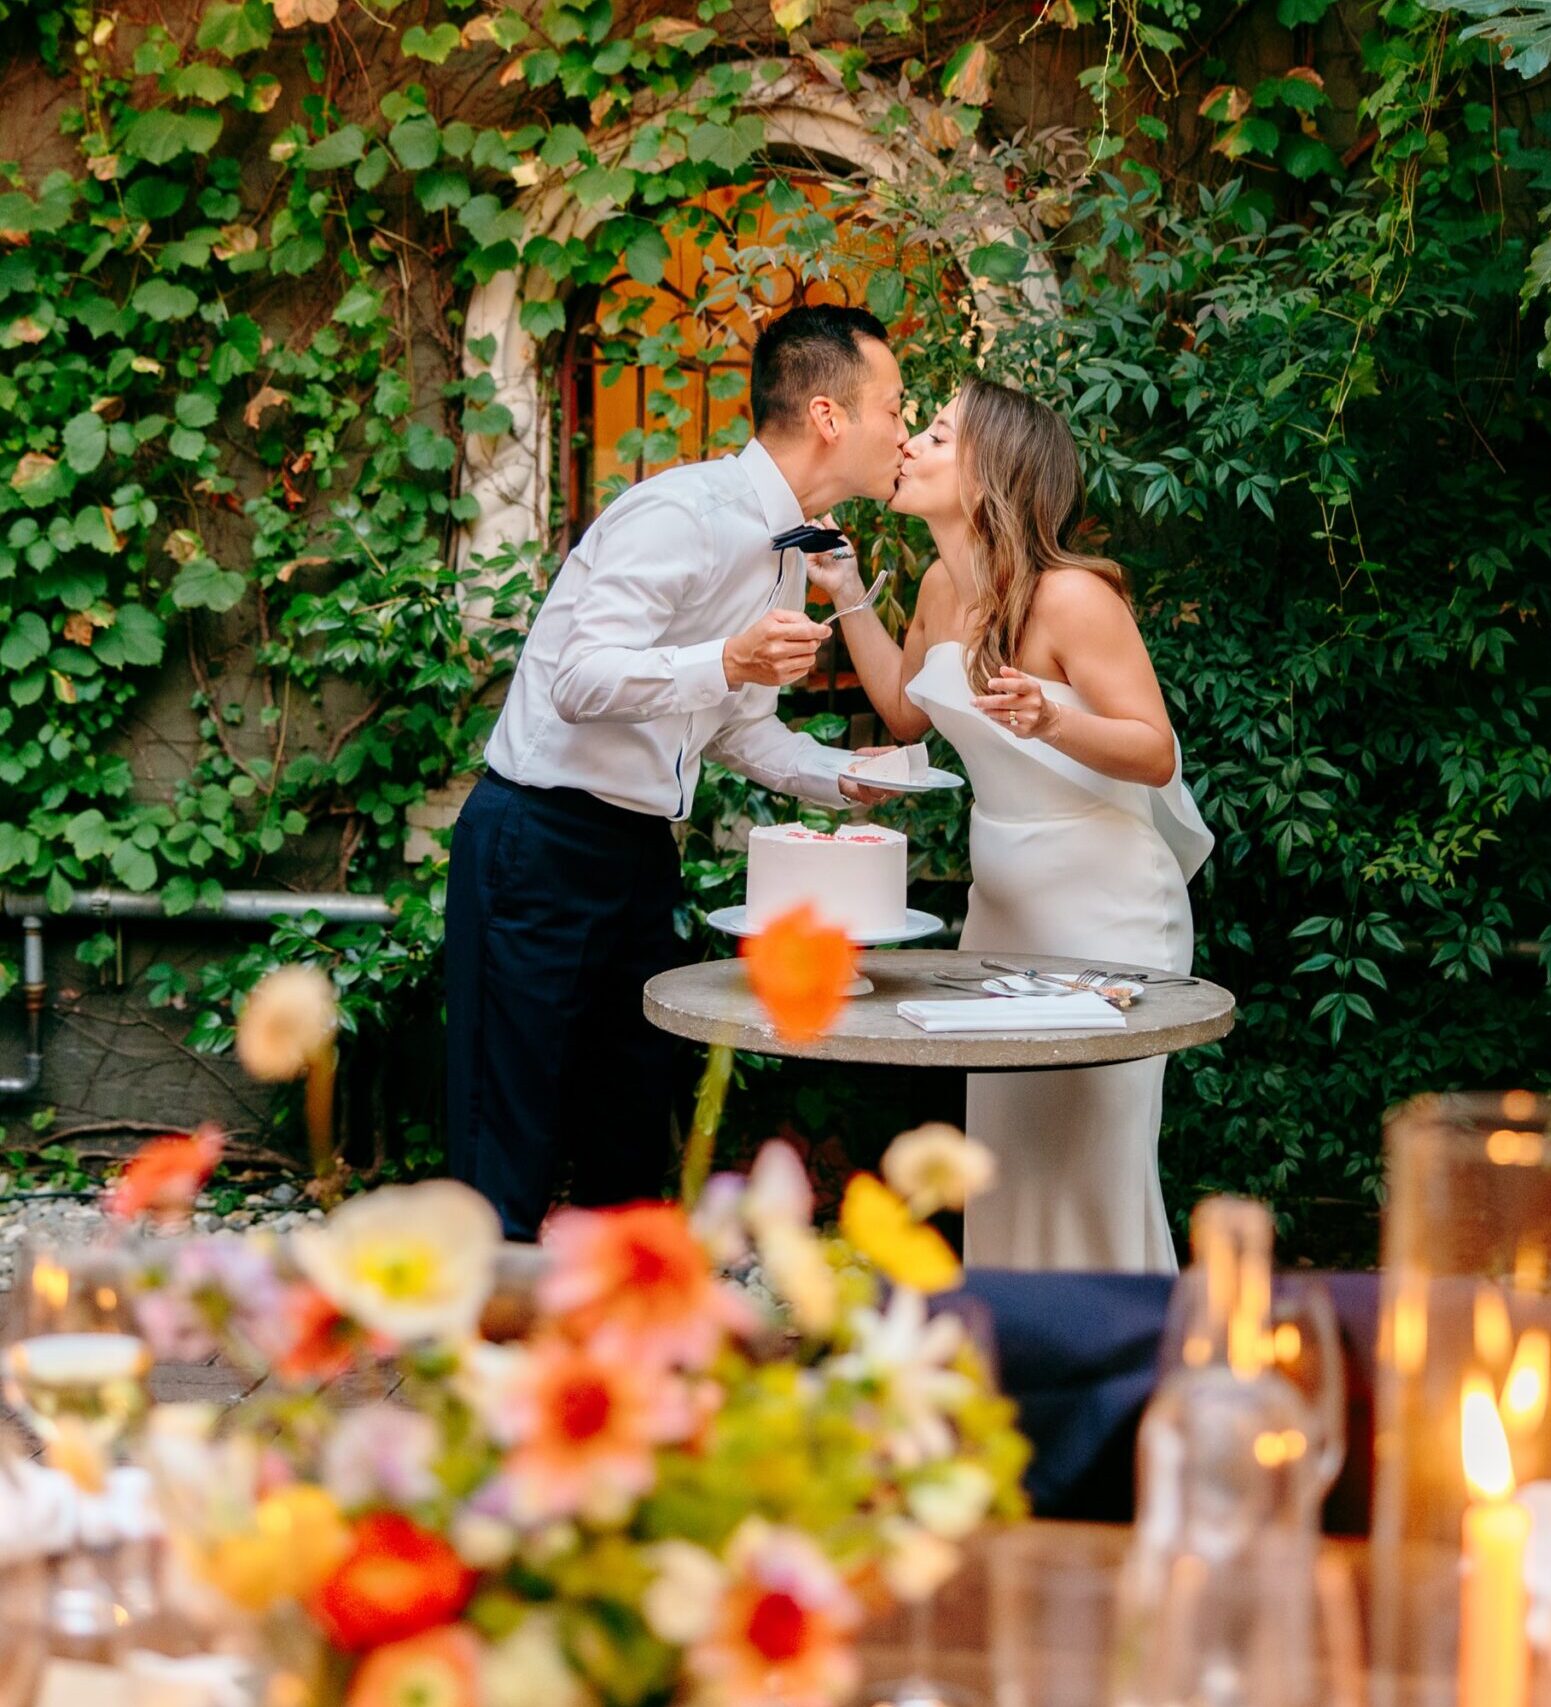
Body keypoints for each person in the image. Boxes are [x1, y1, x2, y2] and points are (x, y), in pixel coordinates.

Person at [446, 305, 906, 1240]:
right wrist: (729, 659)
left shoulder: (789, 549)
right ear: (829, 417)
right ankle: (477, 1363)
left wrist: (844, 777)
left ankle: (614, 1363)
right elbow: (579, 678)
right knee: (507, 1141)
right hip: (536, 844)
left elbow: (736, 730)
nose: (905, 427)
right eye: (895, 408)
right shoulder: (682, 513)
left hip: (636, 857)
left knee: (628, 1130)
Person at [808, 378, 1214, 1272]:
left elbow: (1154, 752)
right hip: (1001, 918)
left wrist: (1054, 719)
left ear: (992, 471)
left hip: (1107, 914)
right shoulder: (937, 587)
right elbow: (904, 710)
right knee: (1005, 1167)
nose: (910, 442)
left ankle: (1119, 1370)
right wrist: (844, 590)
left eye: (938, 435)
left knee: (1091, 1168)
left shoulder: (1071, 598)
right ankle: (1018, 1368)